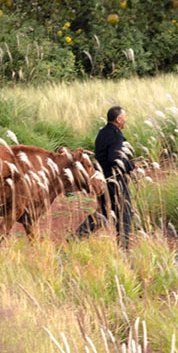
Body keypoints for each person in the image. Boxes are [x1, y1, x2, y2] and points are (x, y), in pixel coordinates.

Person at [73, 105, 134, 248]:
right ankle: (123, 249)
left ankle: (75, 238)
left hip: (102, 179)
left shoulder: (102, 133)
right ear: (118, 119)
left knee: (103, 213)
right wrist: (130, 165)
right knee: (124, 213)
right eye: (124, 117)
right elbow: (114, 159)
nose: (125, 120)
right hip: (115, 182)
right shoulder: (116, 135)